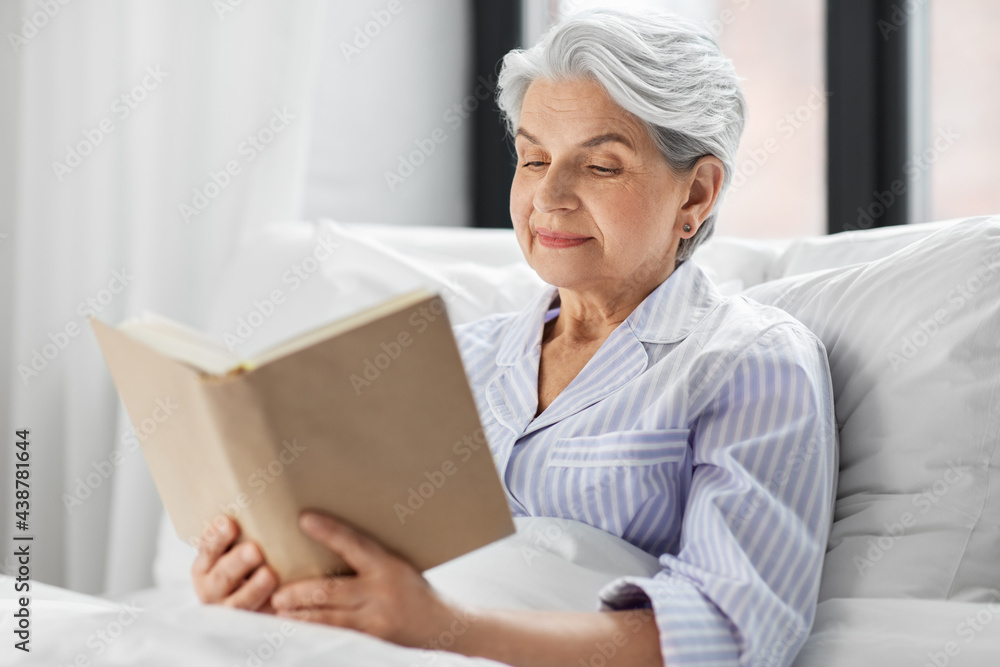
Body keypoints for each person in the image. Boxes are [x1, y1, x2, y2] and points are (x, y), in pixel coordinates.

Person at [191, 8, 838, 666]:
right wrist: (268, 586)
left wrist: (443, 627)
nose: (549, 196)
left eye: (601, 167)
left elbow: (730, 633)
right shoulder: (455, 361)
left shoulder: (750, 362)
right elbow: (368, 579)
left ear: (695, 195)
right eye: (533, 159)